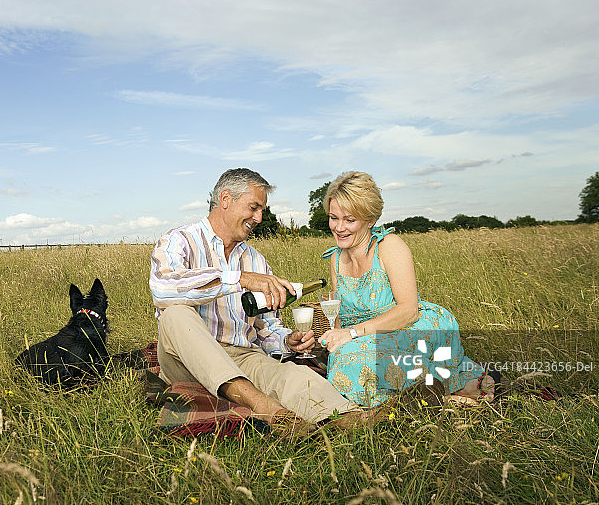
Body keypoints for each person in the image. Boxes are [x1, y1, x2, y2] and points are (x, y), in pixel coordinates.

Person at [149, 168, 382, 438]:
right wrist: (240, 279)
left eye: (262, 210)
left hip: (242, 356)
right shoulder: (179, 241)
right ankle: (266, 408)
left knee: (292, 375)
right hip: (186, 360)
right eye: (254, 207)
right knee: (175, 314)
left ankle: (349, 416)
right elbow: (163, 289)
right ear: (225, 199)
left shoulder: (256, 260)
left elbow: (267, 326)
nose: (259, 218)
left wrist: (287, 341)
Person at [316, 171, 493, 406]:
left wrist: (352, 333)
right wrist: (332, 338)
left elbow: (409, 311)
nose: (339, 228)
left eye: (349, 220)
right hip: (363, 337)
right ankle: (436, 397)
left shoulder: (389, 246)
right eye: (333, 217)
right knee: (343, 361)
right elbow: (337, 316)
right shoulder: (336, 258)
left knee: (367, 363)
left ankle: (443, 395)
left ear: (370, 220)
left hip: (407, 325)